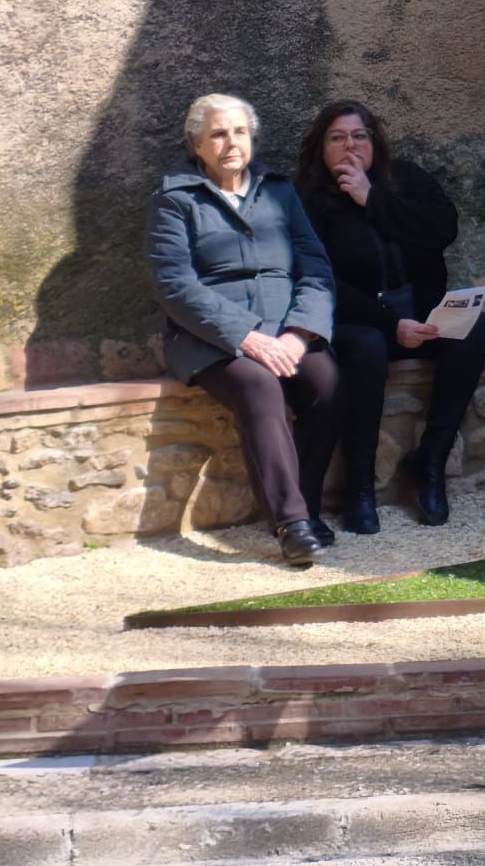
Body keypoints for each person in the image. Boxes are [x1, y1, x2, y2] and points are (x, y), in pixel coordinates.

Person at [144, 93, 339, 567]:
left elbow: (316, 268)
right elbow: (174, 284)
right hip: (210, 338)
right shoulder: (175, 200)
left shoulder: (280, 192)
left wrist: (299, 333)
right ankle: (291, 523)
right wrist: (247, 337)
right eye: (218, 134)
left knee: (326, 384)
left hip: (286, 330)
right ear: (197, 145)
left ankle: (307, 505)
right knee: (259, 386)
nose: (231, 142)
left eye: (239, 132)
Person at [295, 100, 485, 531]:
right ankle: (359, 487)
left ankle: (431, 461)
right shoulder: (308, 199)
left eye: (359, 136)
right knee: (365, 347)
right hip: (359, 320)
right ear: (321, 149)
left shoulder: (405, 180)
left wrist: (372, 199)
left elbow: (443, 229)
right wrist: (390, 325)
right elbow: (320, 279)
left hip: (419, 312)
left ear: (375, 142)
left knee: (472, 330)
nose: (350, 146)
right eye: (337, 138)